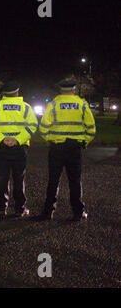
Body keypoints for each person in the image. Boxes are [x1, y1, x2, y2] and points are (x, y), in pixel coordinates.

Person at [39, 80, 96, 221]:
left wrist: (50, 140)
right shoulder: (82, 104)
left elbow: (43, 128)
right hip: (74, 148)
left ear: (60, 90)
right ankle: (78, 212)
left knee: (53, 180)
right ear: (74, 90)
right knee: (75, 181)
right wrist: (85, 142)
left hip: (56, 148)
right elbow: (91, 128)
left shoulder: (53, 104)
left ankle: (48, 212)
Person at [0, 81, 38, 217]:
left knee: (3, 177)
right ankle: (20, 209)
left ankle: (1, 208)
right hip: (20, 148)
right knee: (19, 178)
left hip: (2, 147)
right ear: (17, 92)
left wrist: (2, 138)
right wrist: (17, 139)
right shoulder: (25, 107)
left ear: (4, 94)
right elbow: (32, 126)